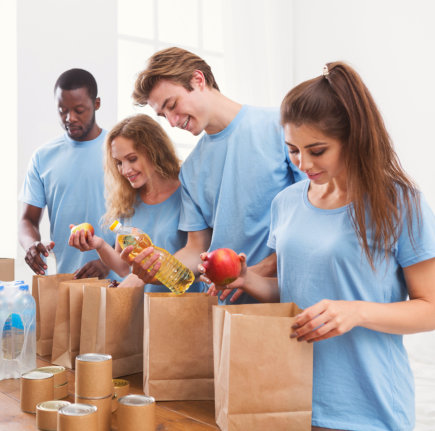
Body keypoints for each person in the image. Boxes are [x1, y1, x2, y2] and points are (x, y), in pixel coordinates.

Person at [206, 62, 435, 430]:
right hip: (290, 400)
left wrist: (357, 312)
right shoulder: (287, 202)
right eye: (293, 150)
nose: (303, 164)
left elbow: (430, 308)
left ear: (354, 137)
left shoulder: (399, 205)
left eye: (317, 150)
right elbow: (300, 290)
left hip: (368, 410)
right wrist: (248, 279)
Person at [124, 46, 303, 304]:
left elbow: (310, 216)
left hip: (284, 305)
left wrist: (255, 273)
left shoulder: (280, 128)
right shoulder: (191, 170)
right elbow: (197, 247)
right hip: (224, 311)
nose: (172, 122)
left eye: (172, 105)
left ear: (198, 80)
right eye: (163, 116)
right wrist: (161, 267)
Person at [69, 113, 205, 292]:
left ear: (154, 151)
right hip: (142, 312)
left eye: (132, 159)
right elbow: (125, 268)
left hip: (180, 311)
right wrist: (100, 245)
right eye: (118, 162)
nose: (125, 170)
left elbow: (198, 256)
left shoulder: (187, 192)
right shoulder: (128, 200)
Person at [19, 68, 118, 280]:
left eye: (79, 110)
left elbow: (141, 220)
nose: (69, 118)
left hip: (120, 283)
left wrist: (107, 261)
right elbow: (28, 219)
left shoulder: (121, 151)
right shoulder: (42, 157)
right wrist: (31, 245)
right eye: (62, 110)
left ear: (97, 104)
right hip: (67, 281)